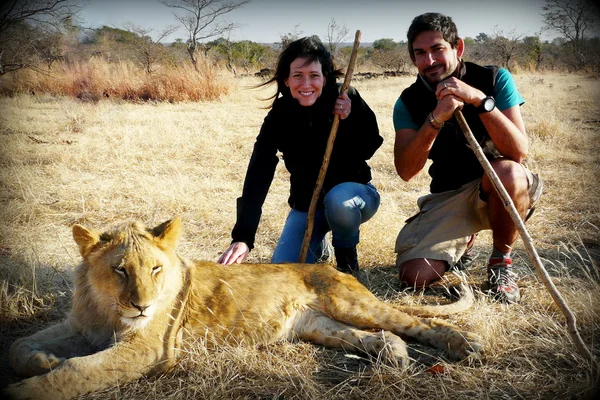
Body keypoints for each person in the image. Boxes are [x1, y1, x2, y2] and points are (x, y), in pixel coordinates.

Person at [392, 13, 543, 303]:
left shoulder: (494, 78)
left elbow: (519, 152)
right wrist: (435, 119)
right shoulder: (408, 101)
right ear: (413, 59)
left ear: (457, 48)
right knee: (414, 277)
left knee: (509, 173)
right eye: (420, 53)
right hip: (449, 194)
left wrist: (479, 100)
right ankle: (464, 243)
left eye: (438, 49)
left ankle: (501, 263)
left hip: (499, 186)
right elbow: (406, 171)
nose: (430, 61)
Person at [218, 36, 383, 273]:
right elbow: (259, 171)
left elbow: (370, 146)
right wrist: (243, 236)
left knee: (338, 201)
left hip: (355, 199)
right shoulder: (279, 115)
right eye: (298, 75)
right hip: (307, 207)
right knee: (284, 271)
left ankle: (347, 260)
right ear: (286, 79)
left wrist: (351, 117)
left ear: (325, 78)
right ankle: (319, 246)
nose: (306, 84)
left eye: (314, 75)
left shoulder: (345, 96)